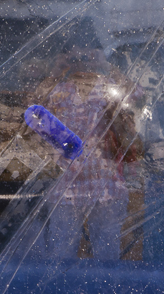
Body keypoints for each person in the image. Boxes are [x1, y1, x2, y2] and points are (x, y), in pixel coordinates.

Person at [40, 20, 143, 260]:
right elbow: (31, 111)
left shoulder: (108, 87)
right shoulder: (59, 89)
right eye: (75, 57)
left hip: (105, 182)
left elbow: (138, 96)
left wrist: (105, 64)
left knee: (107, 252)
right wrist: (55, 71)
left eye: (88, 54)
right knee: (61, 253)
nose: (82, 63)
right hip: (66, 183)